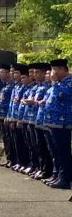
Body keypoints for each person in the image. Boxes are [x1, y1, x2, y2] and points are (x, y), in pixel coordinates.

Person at [41, 59, 71, 189]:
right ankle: (58, 175)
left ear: (63, 70)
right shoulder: (58, 84)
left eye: (55, 70)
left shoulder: (68, 83)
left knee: (63, 152)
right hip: (53, 123)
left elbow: (62, 95)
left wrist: (54, 83)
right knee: (56, 152)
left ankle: (65, 179)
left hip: (62, 123)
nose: (53, 73)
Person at [7, 64, 29, 172]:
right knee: (15, 142)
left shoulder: (25, 87)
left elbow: (22, 105)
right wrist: (10, 117)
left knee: (22, 143)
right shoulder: (16, 86)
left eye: (15, 72)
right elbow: (12, 104)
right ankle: (18, 162)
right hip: (13, 118)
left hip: (21, 119)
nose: (13, 74)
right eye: (13, 72)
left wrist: (18, 119)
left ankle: (24, 163)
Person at [14, 64, 35, 173]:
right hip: (23, 118)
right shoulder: (23, 88)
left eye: (23, 77)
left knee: (33, 146)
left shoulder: (33, 88)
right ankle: (22, 163)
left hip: (32, 119)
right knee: (24, 143)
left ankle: (33, 165)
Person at [0, 64, 16, 168]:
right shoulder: (5, 86)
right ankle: (9, 159)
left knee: (10, 139)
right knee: (6, 139)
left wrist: (7, 116)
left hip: (8, 117)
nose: (0, 74)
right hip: (2, 116)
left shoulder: (12, 86)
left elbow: (11, 104)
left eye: (2, 72)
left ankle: (13, 160)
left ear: (8, 73)